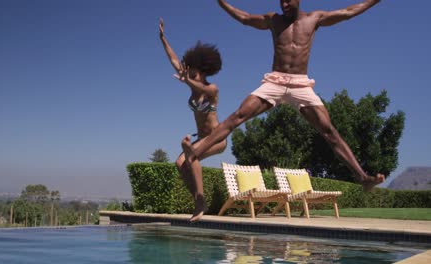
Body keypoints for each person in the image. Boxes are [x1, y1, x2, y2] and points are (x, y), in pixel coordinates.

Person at [183, 0, 385, 211]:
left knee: (329, 130)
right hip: (275, 81)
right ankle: (196, 152)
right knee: (238, 116)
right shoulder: (274, 20)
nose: (284, 4)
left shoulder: (315, 18)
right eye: (281, 1)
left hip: (300, 83)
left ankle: (362, 177)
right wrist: (222, 3)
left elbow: (349, 11)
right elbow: (244, 18)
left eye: (289, 0)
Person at [159, 18, 227, 222]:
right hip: (202, 138)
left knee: (191, 156)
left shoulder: (212, 90)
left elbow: (202, 88)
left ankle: (200, 201)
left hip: (217, 138)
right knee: (180, 163)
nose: (189, 76)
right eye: (189, 72)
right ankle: (198, 199)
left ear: (204, 72)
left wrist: (186, 79)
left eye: (193, 73)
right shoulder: (191, 84)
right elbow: (174, 61)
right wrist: (163, 39)